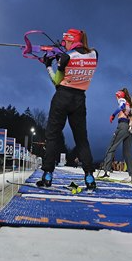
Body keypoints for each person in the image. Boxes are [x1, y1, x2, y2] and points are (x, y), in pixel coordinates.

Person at [38, 28, 98, 190]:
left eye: (66, 41)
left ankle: (48, 174)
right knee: (81, 139)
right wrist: (61, 57)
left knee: (53, 136)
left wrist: (48, 66)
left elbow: (57, 80)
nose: (64, 44)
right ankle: (89, 176)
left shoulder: (66, 57)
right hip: (79, 99)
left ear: (70, 40)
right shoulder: (94, 54)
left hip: (62, 97)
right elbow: (78, 59)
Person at [98, 88, 132, 182]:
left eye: (116, 96)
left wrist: (113, 115)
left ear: (119, 95)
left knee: (111, 148)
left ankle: (107, 171)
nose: (116, 98)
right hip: (130, 128)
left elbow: (122, 106)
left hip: (122, 126)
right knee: (127, 153)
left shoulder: (122, 100)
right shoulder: (130, 104)